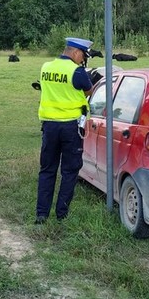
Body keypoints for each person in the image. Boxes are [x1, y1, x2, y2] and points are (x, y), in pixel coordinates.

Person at [35, 37, 94, 224]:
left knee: (47, 170)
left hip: (49, 126)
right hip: (70, 127)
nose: (83, 59)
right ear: (76, 52)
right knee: (69, 171)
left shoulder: (46, 67)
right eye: (83, 55)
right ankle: (61, 214)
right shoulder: (76, 71)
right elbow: (88, 90)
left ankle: (41, 215)